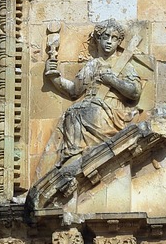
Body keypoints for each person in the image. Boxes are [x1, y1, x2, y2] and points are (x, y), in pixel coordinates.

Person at [44, 19, 143, 161]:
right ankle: (74, 155)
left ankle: (75, 154)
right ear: (98, 39)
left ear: (119, 42)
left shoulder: (123, 65)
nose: (109, 41)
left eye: (114, 38)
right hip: (87, 109)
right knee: (73, 112)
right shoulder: (92, 65)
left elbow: (135, 92)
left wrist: (113, 81)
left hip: (110, 112)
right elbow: (74, 90)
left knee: (79, 112)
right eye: (105, 37)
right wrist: (54, 77)